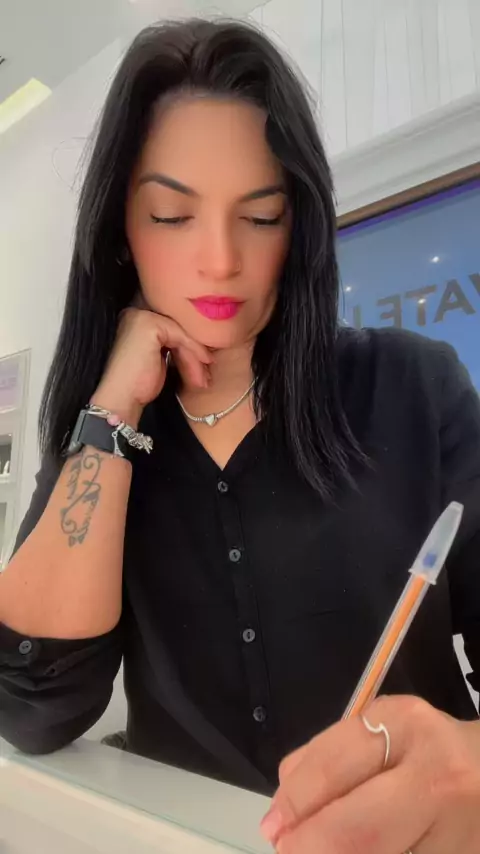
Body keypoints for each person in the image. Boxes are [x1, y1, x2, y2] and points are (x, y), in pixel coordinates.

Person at [1, 17, 480, 853]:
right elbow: (33, 706)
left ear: (298, 228)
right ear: (121, 231)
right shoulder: (106, 436)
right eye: (171, 215)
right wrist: (111, 411)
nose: (220, 259)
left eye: (260, 217)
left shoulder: (411, 385)